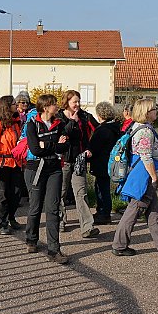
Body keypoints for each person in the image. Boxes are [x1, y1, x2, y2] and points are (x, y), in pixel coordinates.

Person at [111, 98, 158, 260]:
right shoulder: (145, 131)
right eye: (154, 109)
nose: (156, 111)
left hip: (139, 175)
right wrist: (153, 177)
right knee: (134, 211)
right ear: (146, 112)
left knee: (153, 213)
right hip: (144, 177)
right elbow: (146, 157)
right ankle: (119, 245)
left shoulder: (136, 127)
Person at [24, 94, 70, 264]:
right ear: (45, 107)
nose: (57, 107)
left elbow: (65, 145)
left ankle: (54, 249)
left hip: (54, 169)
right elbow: (35, 149)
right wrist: (54, 145)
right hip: (35, 168)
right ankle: (31, 239)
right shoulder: (32, 124)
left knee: (52, 208)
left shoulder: (60, 124)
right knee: (35, 207)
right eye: (53, 105)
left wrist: (47, 144)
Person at [57, 90, 100, 238]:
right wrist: (71, 122)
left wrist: (89, 149)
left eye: (78, 101)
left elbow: (91, 135)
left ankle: (87, 226)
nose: (77, 104)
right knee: (61, 192)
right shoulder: (59, 117)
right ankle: (60, 220)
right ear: (67, 102)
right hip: (63, 160)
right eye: (74, 101)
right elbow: (62, 135)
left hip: (79, 160)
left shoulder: (83, 116)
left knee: (81, 193)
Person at [0, 95, 24, 235]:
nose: (17, 105)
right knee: (2, 195)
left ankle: (11, 217)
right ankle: (3, 222)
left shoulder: (16, 123)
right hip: (1, 164)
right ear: (7, 106)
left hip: (16, 163)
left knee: (16, 193)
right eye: (14, 104)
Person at [88, 101, 121, 226]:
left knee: (102, 189)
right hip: (109, 162)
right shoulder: (114, 127)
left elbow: (94, 147)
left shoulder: (103, 130)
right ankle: (102, 211)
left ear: (100, 115)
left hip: (102, 162)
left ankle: (104, 213)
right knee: (102, 187)